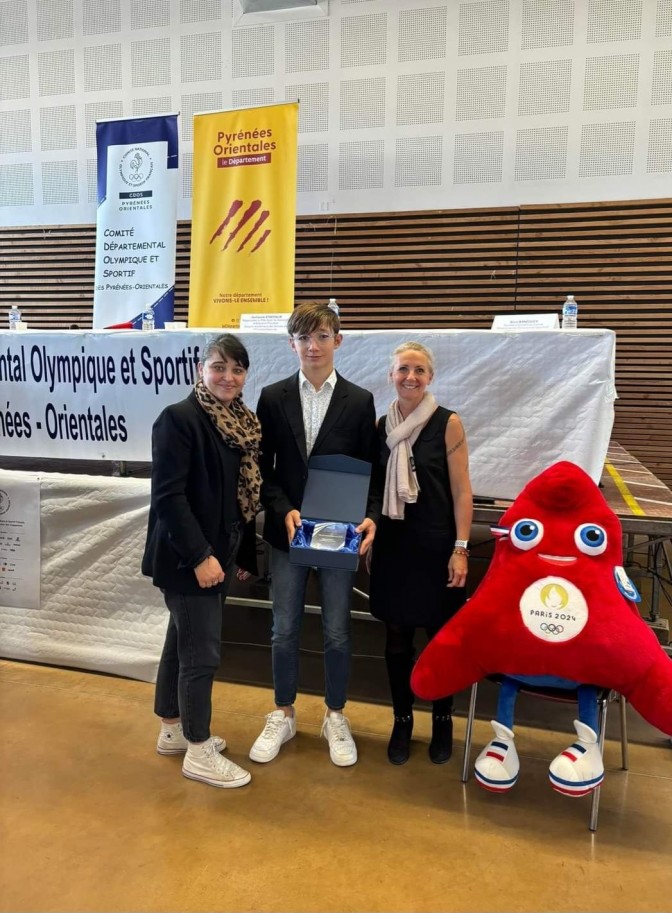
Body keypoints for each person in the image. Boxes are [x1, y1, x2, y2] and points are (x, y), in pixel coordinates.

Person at [248, 301, 381, 768]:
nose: (313, 345)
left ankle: (335, 715)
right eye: (304, 337)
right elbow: (263, 469)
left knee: (337, 632)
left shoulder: (361, 401)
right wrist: (282, 509)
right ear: (292, 344)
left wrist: (370, 518)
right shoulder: (272, 396)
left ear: (338, 341)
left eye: (322, 336)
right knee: (283, 629)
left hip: (340, 538)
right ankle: (283, 712)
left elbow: (371, 472)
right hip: (290, 534)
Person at [142, 334, 261, 789]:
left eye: (236, 369)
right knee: (202, 654)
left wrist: (240, 555)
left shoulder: (240, 422)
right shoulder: (179, 419)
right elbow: (169, 498)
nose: (227, 377)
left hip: (220, 552)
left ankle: (172, 728)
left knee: (181, 640)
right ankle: (197, 748)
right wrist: (199, 557)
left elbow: (240, 498)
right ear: (200, 369)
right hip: (188, 559)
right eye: (219, 367)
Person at [368, 341, 473, 765]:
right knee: (396, 640)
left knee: (439, 639)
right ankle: (402, 719)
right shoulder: (381, 426)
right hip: (394, 545)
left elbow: (462, 490)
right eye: (402, 369)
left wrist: (461, 548)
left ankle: (443, 719)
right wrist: (372, 531)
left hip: (436, 546)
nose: (410, 377)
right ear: (391, 375)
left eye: (419, 370)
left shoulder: (448, 423)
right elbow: (376, 487)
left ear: (430, 378)